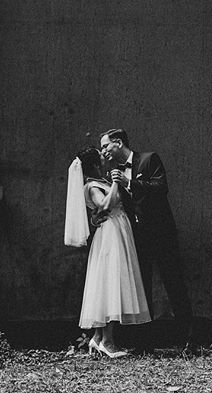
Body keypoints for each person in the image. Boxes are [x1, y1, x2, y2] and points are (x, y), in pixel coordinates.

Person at [98, 128, 194, 348]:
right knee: (141, 287)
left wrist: (129, 183)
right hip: (137, 237)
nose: (103, 151)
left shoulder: (149, 160)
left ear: (119, 142)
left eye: (105, 145)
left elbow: (161, 188)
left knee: (174, 283)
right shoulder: (116, 172)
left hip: (162, 234)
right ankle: (144, 341)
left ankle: (188, 338)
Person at [64, 146, 151, 358]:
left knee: (107, 282)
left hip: (118, 230)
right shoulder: (92, 185)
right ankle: (108, 341)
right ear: (95, 164)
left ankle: (98, 337)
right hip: (111, 234)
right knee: (111, 282)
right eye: (101, 156)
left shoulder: (100, 181)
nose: (105, 157)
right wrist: (115, 182)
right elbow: (103, 205)